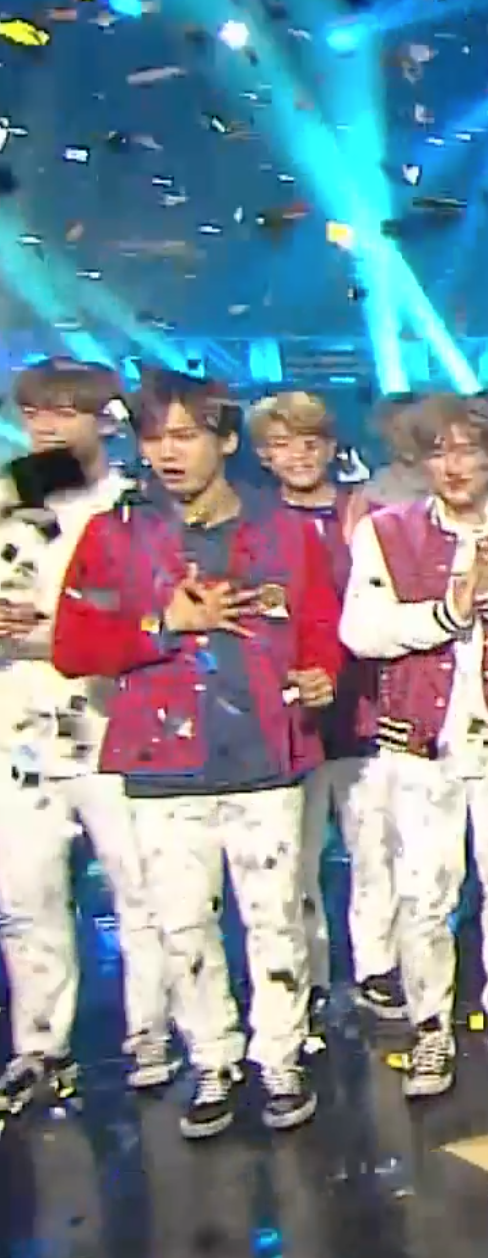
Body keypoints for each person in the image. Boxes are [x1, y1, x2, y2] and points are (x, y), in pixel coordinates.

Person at [52, 368, 344, 1138]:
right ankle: (212, 1058)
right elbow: (73, 646)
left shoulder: (283, 529)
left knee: (275, 919)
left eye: (184, 435)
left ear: (226, 439)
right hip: (161, 764)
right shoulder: (115, 534)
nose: (166, 453)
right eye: (153, 437)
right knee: (182, 925)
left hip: (266, 759)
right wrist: (161, 624)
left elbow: (320, 621)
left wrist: (322, 673)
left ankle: (280, 1055)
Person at [340, 395, 488, 1095]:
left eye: (466, 450)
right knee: (423, 892)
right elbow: (361, 630)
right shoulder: (388, 533)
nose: (453, 466)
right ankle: (431, 1028)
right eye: (437, 452)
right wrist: (447, 612)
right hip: (421, 743)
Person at [0, 359, 156, 1114]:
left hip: (114, 722)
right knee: (24, 894)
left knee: (140, 889)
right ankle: (39, 1044)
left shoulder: (137, 505)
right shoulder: (7, 499)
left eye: (65, 412)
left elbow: (153, 615)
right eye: (34, 413)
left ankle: (151, 1034)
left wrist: (55, 633)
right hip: (18, 731)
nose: (47, 428)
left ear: (105, 420)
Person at [248, 389, 399, 1024]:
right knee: (296, 859)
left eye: (310, 443)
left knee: (375, 847)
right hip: (293, 717)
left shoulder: (372, 517)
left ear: (331, 448)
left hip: (364, 705)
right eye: (282, 445)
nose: (299, 457)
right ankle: (307, 976)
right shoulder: (254, 528)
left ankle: (378, 967)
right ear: (263, 455)